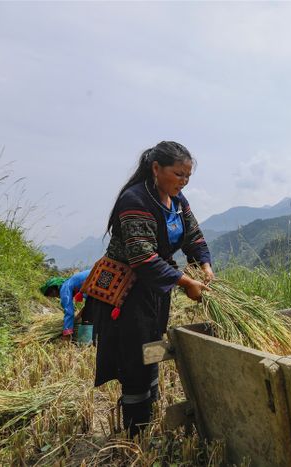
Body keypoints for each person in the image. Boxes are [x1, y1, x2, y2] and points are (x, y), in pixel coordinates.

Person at [87, 141, 213, 438]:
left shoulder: (178, 201)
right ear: (156, 168)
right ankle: (137, 428)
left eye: (187, 177)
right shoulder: (135, 200)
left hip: (156, 288)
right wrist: (185, 281)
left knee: (152, 346)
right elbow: (142, 257)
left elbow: (194, 237)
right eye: (178, 174)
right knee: (135, 354)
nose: (182, 182)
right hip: (128, 290)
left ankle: (150, 408)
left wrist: (204, 266)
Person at [40, 269, 91, 340]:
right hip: (100, 278)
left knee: (87, 317)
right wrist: (79, 315)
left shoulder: (64, 288)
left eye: (52, 294)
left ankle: (85, 341)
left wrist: (67, 333)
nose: (56, 297)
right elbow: (90, 301)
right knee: (89, 313)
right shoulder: (73, 283)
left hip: (98, 279)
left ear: (54, 289)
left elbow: (69, 312)